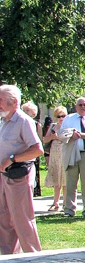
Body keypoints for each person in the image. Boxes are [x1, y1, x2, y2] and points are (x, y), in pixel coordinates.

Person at [0, 85, 44, 254]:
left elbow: (37, 149)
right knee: (4, 219)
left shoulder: (23, 121)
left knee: (22, 219)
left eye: (1, 100)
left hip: (18, 175)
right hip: (4, 176)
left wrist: (12, 159)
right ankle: (8, 259)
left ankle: (34, 258)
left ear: (15, 102)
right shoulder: (4, 121)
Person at [61, 97, 85, 218]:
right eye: (80, 105)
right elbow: (61, 134)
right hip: (72, 152)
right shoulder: (68, 118)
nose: (83, 107)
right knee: (70, 182)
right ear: (76, 106)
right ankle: (69, 210)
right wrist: (70, 135)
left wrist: (80, 135)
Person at [42, 106, 68, 212]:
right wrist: (52, 137)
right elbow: (44, 140)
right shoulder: (53, 126)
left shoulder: (68, 126)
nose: (61, 118)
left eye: (63, 116)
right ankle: (55, 202)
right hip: (55, 154)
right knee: (56, 178)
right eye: (58, 116)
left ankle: (66, 203)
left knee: (65, 178)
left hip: (65, 153)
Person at [20, 102, 42, 198]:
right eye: (24, 110)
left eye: (28, 110)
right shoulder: (20, 123)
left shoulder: (37, 124)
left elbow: (40, 140)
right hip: (23, 152)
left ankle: (34, 192)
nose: (25, 112)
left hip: (33, 152)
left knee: (33, 173)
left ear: (33, 113)